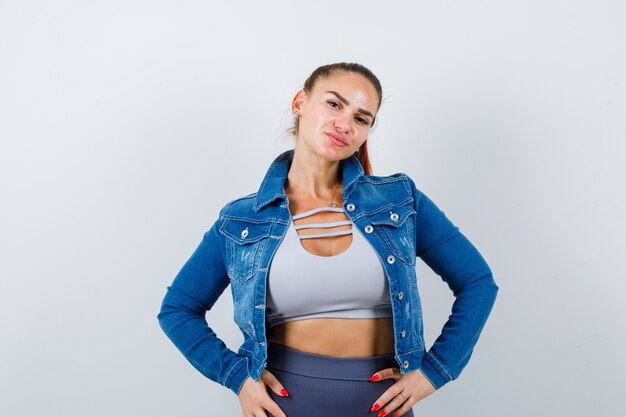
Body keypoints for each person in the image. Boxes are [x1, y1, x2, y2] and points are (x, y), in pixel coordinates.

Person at [157, 62, 499, 417]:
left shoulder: (400, 199)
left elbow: (477, 282)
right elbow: (178, 310)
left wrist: (435, 371)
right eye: (334, 104)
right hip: (285, 405)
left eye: (361, 118)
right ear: (300, 103)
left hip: (383, 406)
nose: (345, 124)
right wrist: (236, 377)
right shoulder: (242, 219)